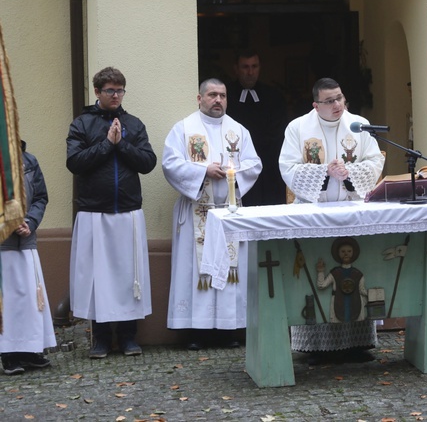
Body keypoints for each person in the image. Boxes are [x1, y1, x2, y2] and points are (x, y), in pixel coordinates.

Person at [279, 77, 384, 362]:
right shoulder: (298, 128)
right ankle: (314, 345)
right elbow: (287, 168)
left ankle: (357, 342)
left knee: (355, 269)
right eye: (329, 101)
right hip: (313, 214)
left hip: (352, 210)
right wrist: (325, 171)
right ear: (315, 105)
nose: (337, 105)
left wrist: (349, 174)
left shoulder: (359, 124)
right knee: (317, 270)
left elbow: (375, 161)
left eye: (340, 98)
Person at [162, 78, 262, 350]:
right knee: (197, 271)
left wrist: (232, 173)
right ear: (200, 98)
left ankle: (228, 330)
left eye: (223, 95)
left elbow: (254, 164)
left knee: (230, 270)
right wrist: (203, 171)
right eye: (212, 95)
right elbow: (170, 164)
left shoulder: (238, 131)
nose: (218, 100)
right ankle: (197, 332)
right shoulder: (183, 129)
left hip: (229, 212)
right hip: (198, 209)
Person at [67, 67, 157, 358]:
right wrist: (107, 144)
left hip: (127, 211)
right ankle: (102, 339)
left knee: (128, 276)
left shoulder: (133, 123)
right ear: (97, 92)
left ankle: (129, 337)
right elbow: (75, 162)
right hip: (95, 212)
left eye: (120, 90)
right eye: (110, 90)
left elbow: (147, 162)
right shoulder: (82, 124)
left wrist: (122, 145)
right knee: (99, 278)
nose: (116, 95)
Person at [0, 141, 56, 375]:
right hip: (4, 242)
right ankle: (8, 353)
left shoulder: (29, 160)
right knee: (9, 299)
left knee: (31, 299)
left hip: (26, 239)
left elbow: (41, 197)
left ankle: (29, 350)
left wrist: (31, 222)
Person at [226, 49, 288, 206]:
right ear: (236, 69)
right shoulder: (226, 96)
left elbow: (280, 131)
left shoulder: (274, 96)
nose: (250, 72)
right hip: (238, 165)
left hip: (269, 165)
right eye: (245, 67)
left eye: (254, 66)